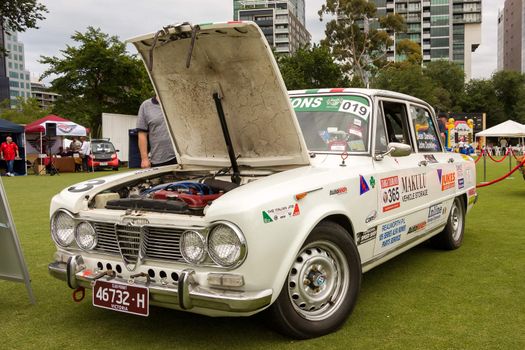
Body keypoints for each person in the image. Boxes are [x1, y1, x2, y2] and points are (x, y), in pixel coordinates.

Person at [136, 96, 176, 168]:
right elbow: (142, 134)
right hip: (159, 160)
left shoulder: (178, 103)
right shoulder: (145, 106)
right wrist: (144, 159)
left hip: (182, 158)